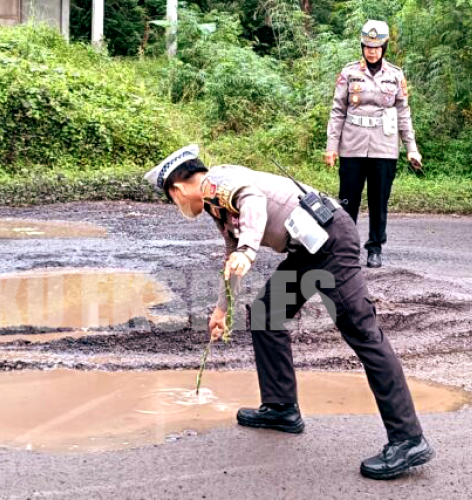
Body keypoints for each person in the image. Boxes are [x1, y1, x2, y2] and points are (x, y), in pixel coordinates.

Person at [144, 145, 434, 479]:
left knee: (363, 333)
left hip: (332, 241)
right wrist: (222, 309)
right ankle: (281, 408)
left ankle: (408, 439)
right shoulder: (215, 205)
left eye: (171, 198)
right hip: (309, 249)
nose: (176, 204)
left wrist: (249, 250)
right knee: (267, 314)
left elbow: (252, 200)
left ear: (177, 189)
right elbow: (232, 252)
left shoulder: (216, 181)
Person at [325, 20, 422, 268]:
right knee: (348, 201)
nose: (372, 51)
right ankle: (345, 249)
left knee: (379, 201)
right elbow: (337, 111)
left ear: (384, 47)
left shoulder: (395, 75)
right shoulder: (349, 73)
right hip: (352, 146)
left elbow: (404, 113)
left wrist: (411, 148)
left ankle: (375, 248)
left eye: (377, 47)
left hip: (384, 147)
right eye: (368, 46)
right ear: (362, 45)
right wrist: (331, 147)